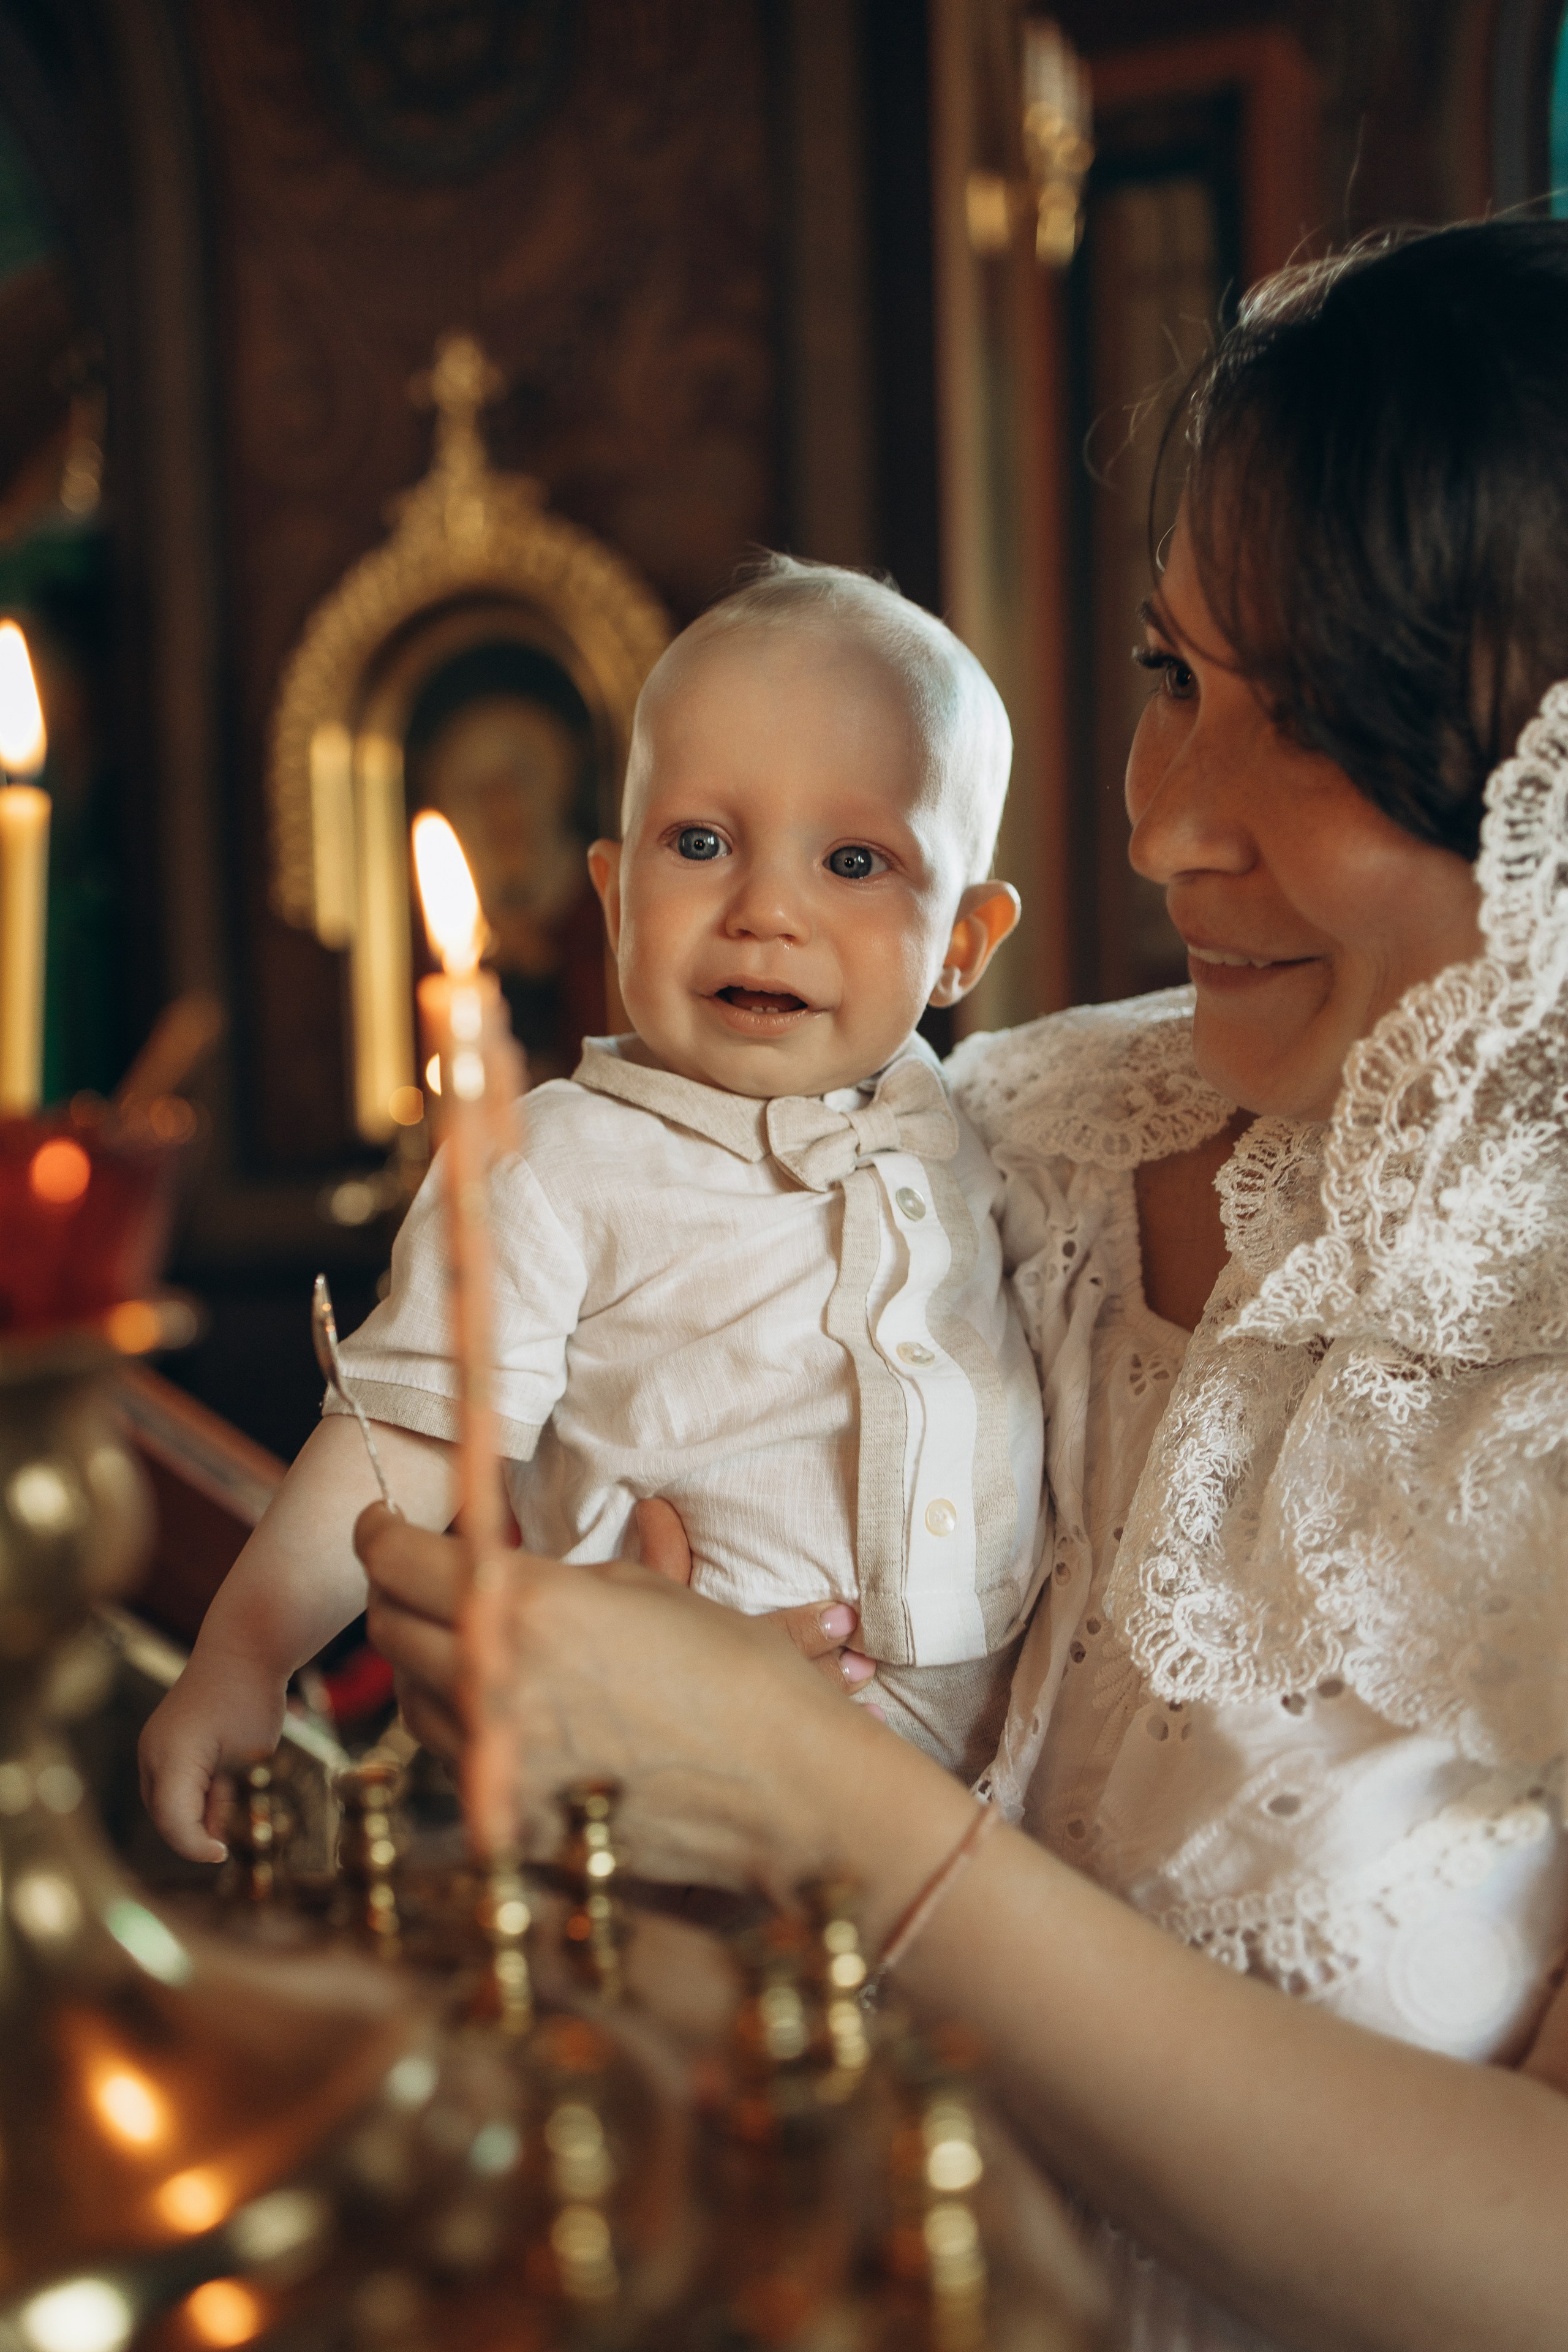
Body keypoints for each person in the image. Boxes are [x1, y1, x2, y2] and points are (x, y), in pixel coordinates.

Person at [356, 221, 1568, 2352]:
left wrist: (839, 1817)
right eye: (1174, 675)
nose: (1167, 827)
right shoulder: (981, 1143)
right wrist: (573, 1708)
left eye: (1330, 727)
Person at [140, 559, 1047, 1862]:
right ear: (615, 892)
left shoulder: (969, 1126)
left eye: (852, 859)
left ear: (961, 943)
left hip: (987, 1813)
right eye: (701, 843)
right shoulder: (557, 1160)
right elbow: (393, 1433)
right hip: (673, 1794)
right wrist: (243, 1661)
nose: (764, 910)